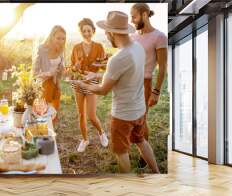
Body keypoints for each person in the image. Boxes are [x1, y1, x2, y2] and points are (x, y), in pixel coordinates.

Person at [70, 11, 160, 173]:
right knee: (141, 142)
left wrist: (82, 85)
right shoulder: (138, 48)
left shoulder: (117, 59)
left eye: (106, 31)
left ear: (112, 33)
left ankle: (126, 188)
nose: (105, 34)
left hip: (123, 116)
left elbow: (103, 90)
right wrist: (96, 74)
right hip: (139, 110)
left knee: (121, 152)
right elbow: (122, 73)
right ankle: (157, 172)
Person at [130, 3, 168, 168]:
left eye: (134, 16)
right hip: (130, 83)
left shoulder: (159, 37)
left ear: (144, 15)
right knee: (133, 120)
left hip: (145, 84)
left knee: (141, 120)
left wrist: (156, 91)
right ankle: (141, 147)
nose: (132, 20)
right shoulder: (133, 37)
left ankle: (144, 156)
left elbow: (162, 68)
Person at [70, 18, 109, 152]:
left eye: (89, 30)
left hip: (92, 82)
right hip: (79, 82)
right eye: (84, 31)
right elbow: (72, 68)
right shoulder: (76, 48)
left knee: (91, 115)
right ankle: (85, 139)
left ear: (93, 31)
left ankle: (101, 132)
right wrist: (75, 67)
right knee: (81, 114)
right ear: (81, 32)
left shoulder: (99, 47)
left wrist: (103, 63)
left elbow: (105, 67)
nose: (86, 33)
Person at [33, 25, 66, 126]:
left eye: (63, 38)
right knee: (44, 113)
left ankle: (51, 136)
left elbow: (61, 68)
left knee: (54, 112)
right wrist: (49, 73)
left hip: (56, 84)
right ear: (52, 37)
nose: (61, 41)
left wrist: (65, 70)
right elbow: (34, 73)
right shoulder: (42, 49)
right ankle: (43, 135)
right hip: (43, 85)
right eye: (58, 38)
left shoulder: (61, 50)